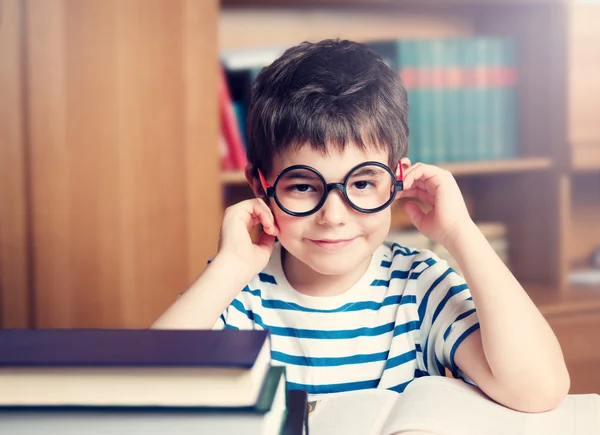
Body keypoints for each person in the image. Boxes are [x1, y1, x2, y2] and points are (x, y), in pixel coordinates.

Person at [151, 39, 569, 412]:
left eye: (363, 182)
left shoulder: (418, 286)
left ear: (398, 181)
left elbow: (539, 389)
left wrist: (462, 233)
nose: (333, 215)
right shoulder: (241, 290)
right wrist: (228, 268)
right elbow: (144, 390)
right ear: (261, 187)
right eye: (302, 185)